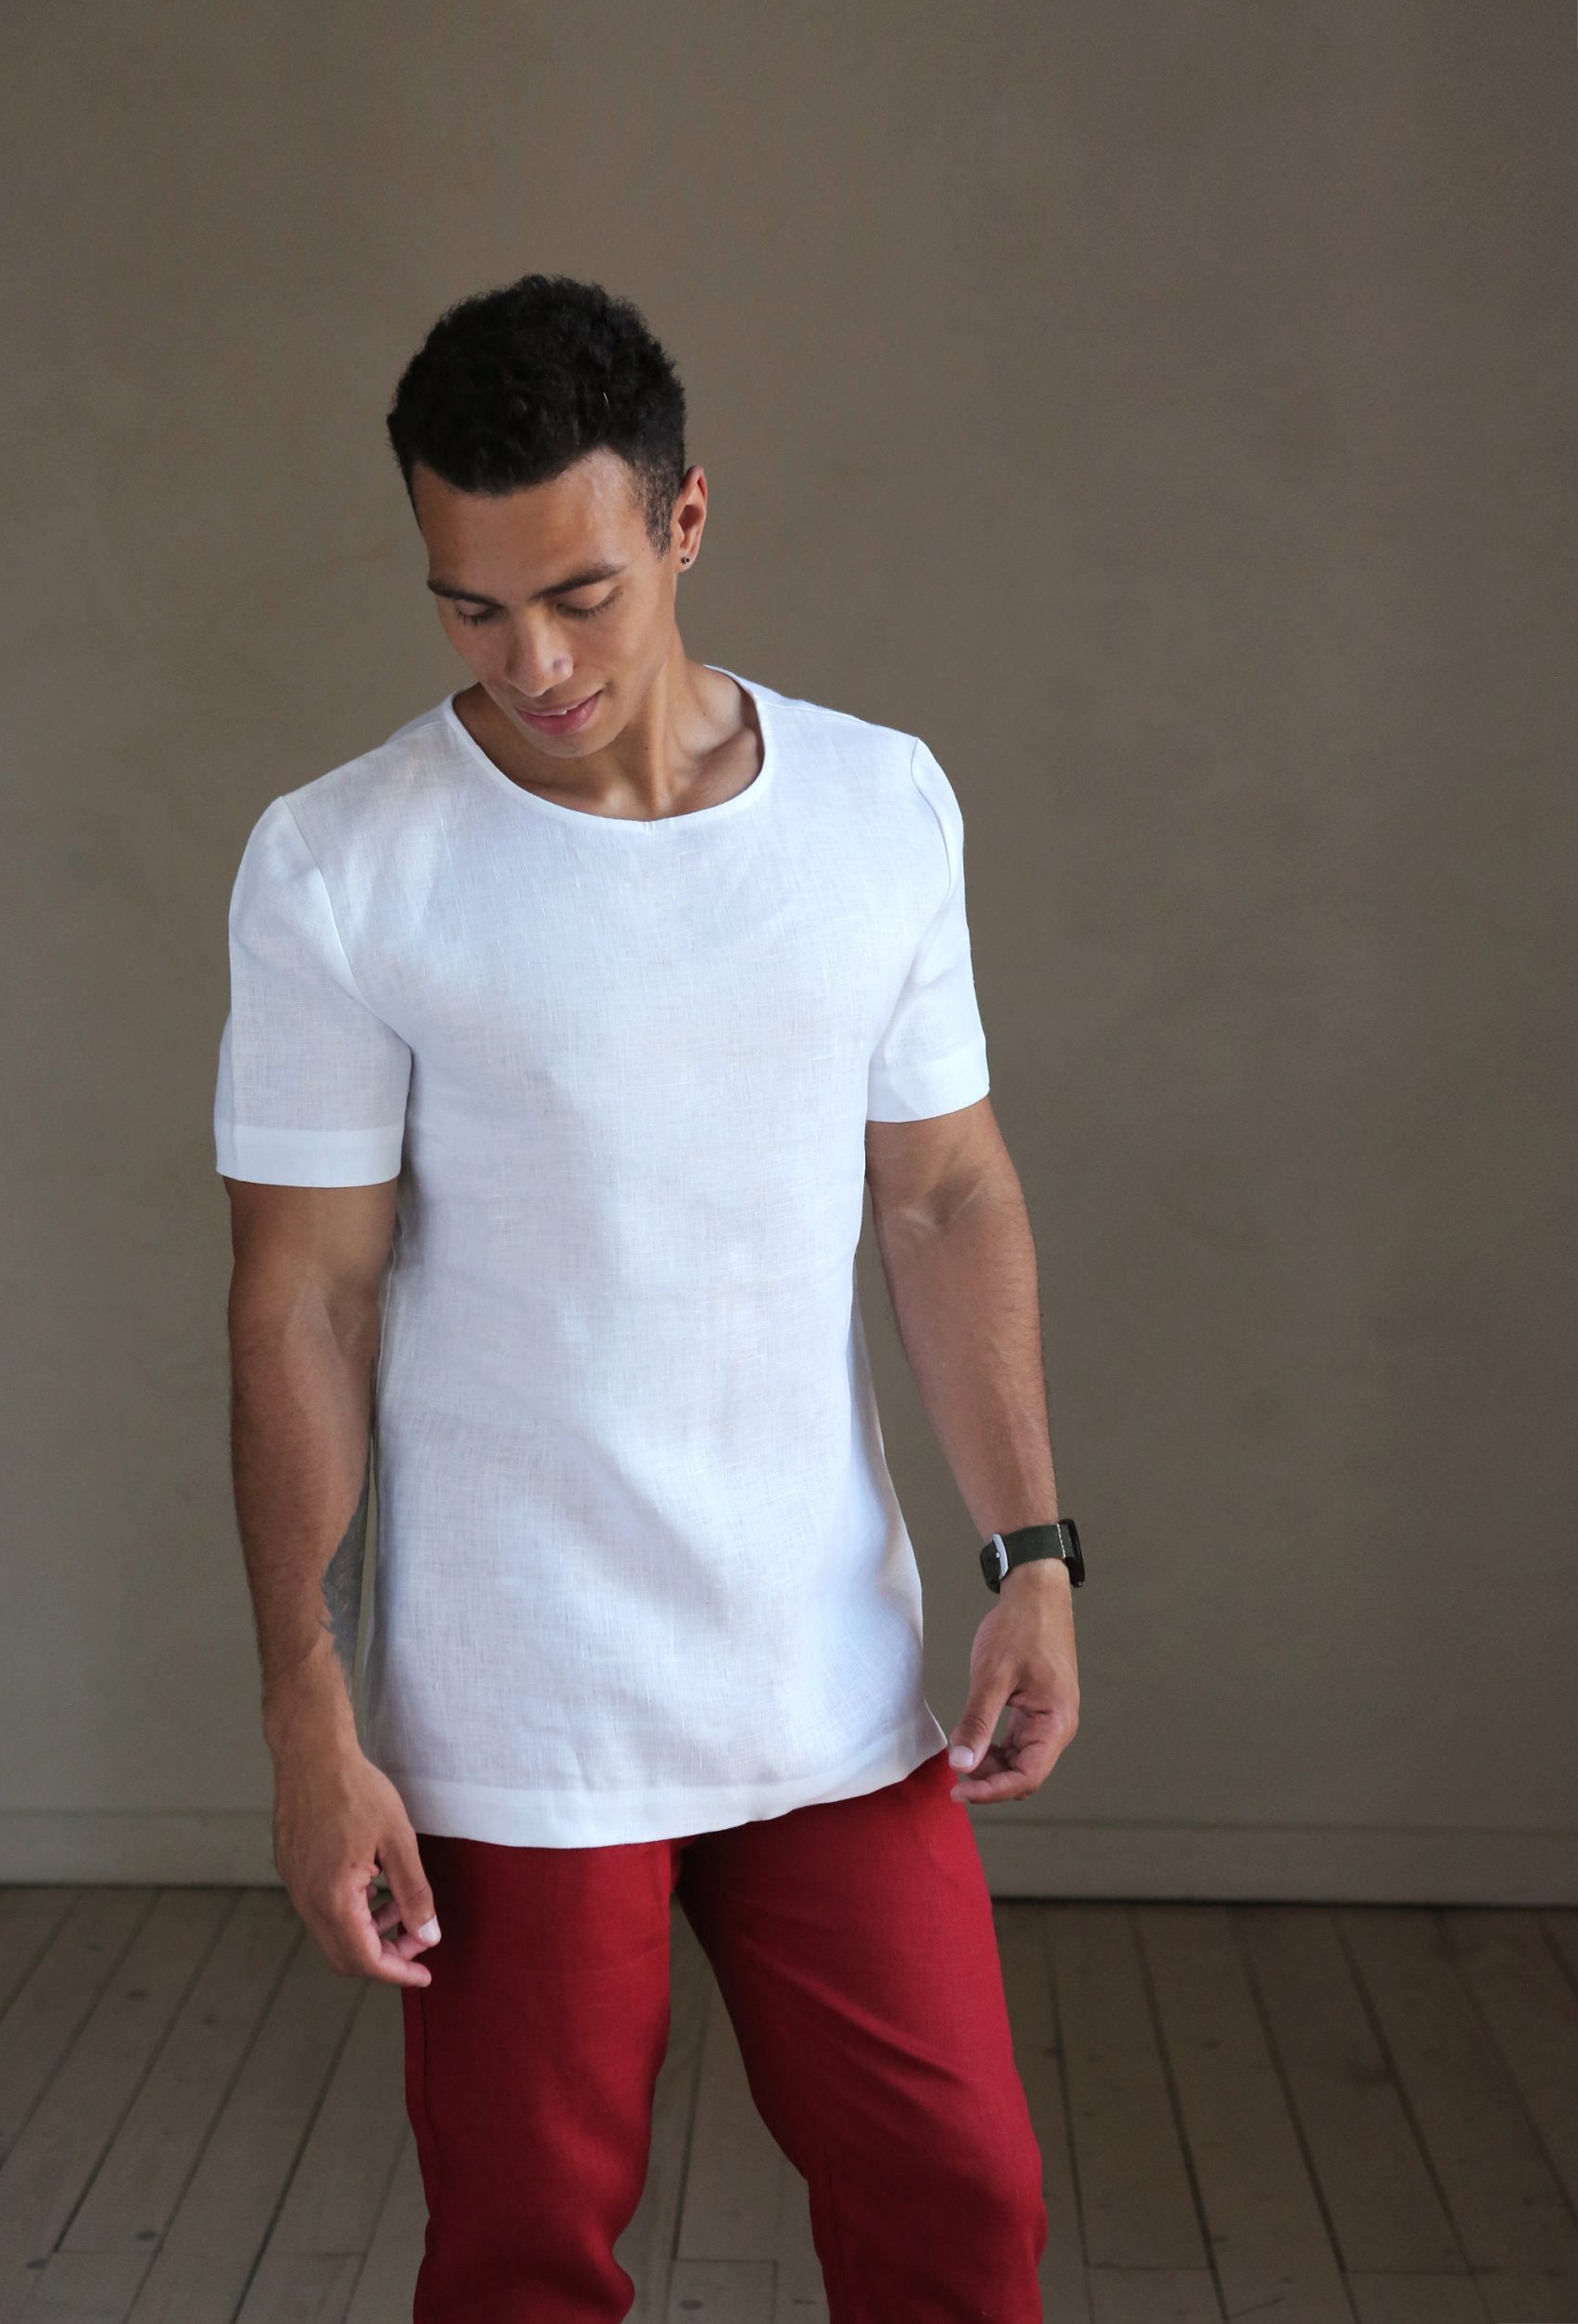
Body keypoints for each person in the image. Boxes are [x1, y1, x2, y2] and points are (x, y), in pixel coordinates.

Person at [214, 274, 1080, 2323]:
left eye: (579, 596)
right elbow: (301, 1301)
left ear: (685, 521)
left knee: (961, 2207)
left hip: (824, 1671)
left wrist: (1030, 1550)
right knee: (524, 2260)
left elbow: (945, 1193)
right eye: (470, 607)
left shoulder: (877, 806)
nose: (532, 662)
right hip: (515, 1709)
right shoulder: (340, 866)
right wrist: (307, 1714)